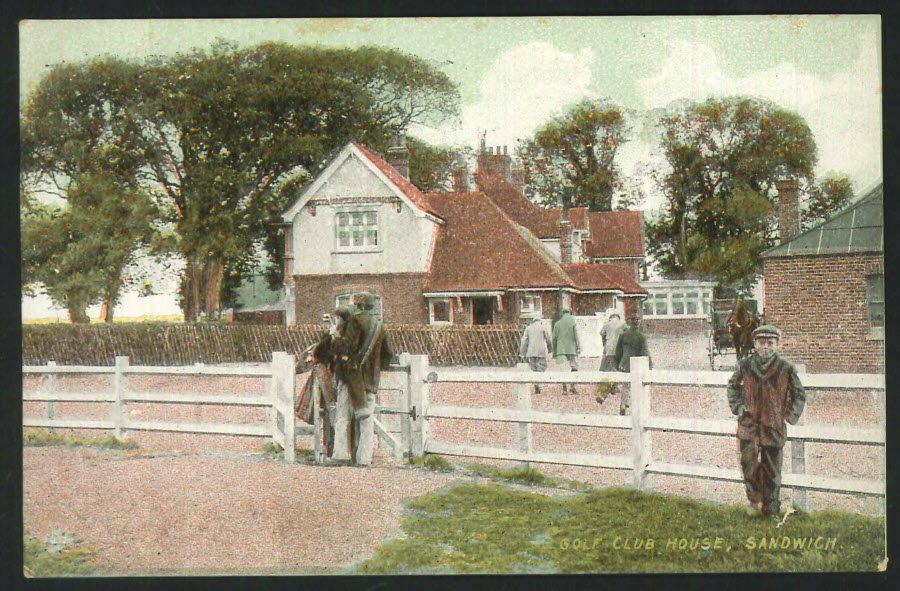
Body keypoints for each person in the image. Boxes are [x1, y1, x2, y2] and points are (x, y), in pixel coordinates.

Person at [727, 324, 805, 517]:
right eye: (762, 343)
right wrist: (738, 407)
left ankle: (771, 507)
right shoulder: (744, 365)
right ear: (754, 344)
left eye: (770, 343)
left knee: (772, 469)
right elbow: (732, 387)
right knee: (749, 465)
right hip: (749, 424)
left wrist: (787, 415)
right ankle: (754, 502)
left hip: (773, 425)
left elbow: (799, 395)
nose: (766, 347)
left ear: (777, 344)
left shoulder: (786, 367)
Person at [347, 291, 393, 467]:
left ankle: (350, 456)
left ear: (357, 305)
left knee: (350, 417)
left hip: (352, 379)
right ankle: (364, 459)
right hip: (371, 380)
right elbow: (387, 356)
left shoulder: (351, 322)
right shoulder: (379, 326)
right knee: (367, 419)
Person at [615, 314, 652, 415]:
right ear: (638, 323)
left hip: (624, 363)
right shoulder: (641, 336)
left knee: (625, 386)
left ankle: (623, 404)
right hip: (637, 364)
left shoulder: (623, 335)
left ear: (630, 322)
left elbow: (618, 351)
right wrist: (649, 364)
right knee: (637, 386)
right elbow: (645, 352)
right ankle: (634, 407)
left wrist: (618, 363)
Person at [518, 311, 552, 394]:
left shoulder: (528, 328)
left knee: (533, 369)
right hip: (541, 352)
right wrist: (550, 349)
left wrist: (522, 353)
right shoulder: (543, 327)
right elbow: (548, 339)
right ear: (540, 320)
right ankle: (538, 383)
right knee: (541, 368)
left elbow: (524, 341)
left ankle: (536, 384)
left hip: (531, 352)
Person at [551, 305, 581, 395]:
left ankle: (564, 389)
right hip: (571, 348)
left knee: (563, 370)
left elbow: (554, 339)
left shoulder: (557, 324)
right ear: (570, 312)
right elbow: (576, 336)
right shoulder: (573, 322)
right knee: (574, 367)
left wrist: (554, 351)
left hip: (561, 349)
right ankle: (572, 387)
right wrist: (579, 346)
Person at [597, 310, 625, 404]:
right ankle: (614, 387)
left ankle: (603, 392)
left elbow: (602, 334)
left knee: (607, 370)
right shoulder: (623, 324)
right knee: (618, 369)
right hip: (620, 351)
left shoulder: (607, 324)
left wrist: (605, 344)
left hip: (609, 350)